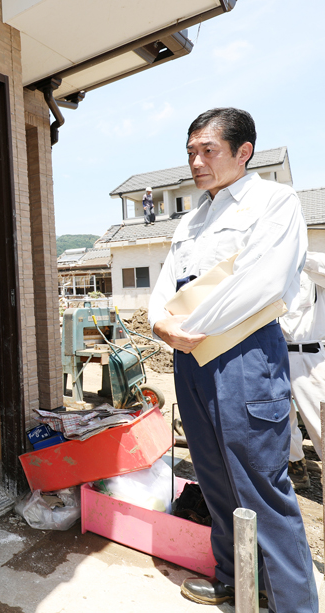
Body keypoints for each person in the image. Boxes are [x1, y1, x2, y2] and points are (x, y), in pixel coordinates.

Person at [148, 108, 317, 612]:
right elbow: (165, 284)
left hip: (244, 353)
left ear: (244, 152)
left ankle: (291, 602)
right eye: (191, 152)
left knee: (260, 482)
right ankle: (235, 577)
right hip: (190, 356)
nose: (196, 162)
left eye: (208, 150)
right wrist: (161, 323)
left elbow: (262, 280)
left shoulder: (274, 201)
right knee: (214, 474)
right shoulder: (192, 219)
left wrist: (188, 327)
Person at [281, 251, 325, 489]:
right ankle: (296, 468)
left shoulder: (310, 268)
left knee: (320, 419)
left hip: (309, 356)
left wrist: (297, 254)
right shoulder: (272, 272)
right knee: (281, 419)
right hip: (274, 354)